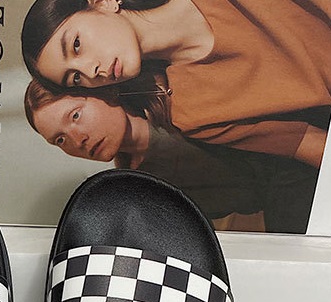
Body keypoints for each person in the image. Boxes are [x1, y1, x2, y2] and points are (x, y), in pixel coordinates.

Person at [21, 0, 331, 167]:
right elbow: (310, 145)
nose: (92, 70)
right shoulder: (191, 114)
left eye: (76, 45)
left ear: (103, 3)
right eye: (75, 77)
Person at [24, 78, 320, 232]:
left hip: (310, 157)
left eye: (75, 116)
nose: (77, 140)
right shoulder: (139, 190)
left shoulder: (178, 96)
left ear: (105, 93)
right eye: (60, 139)